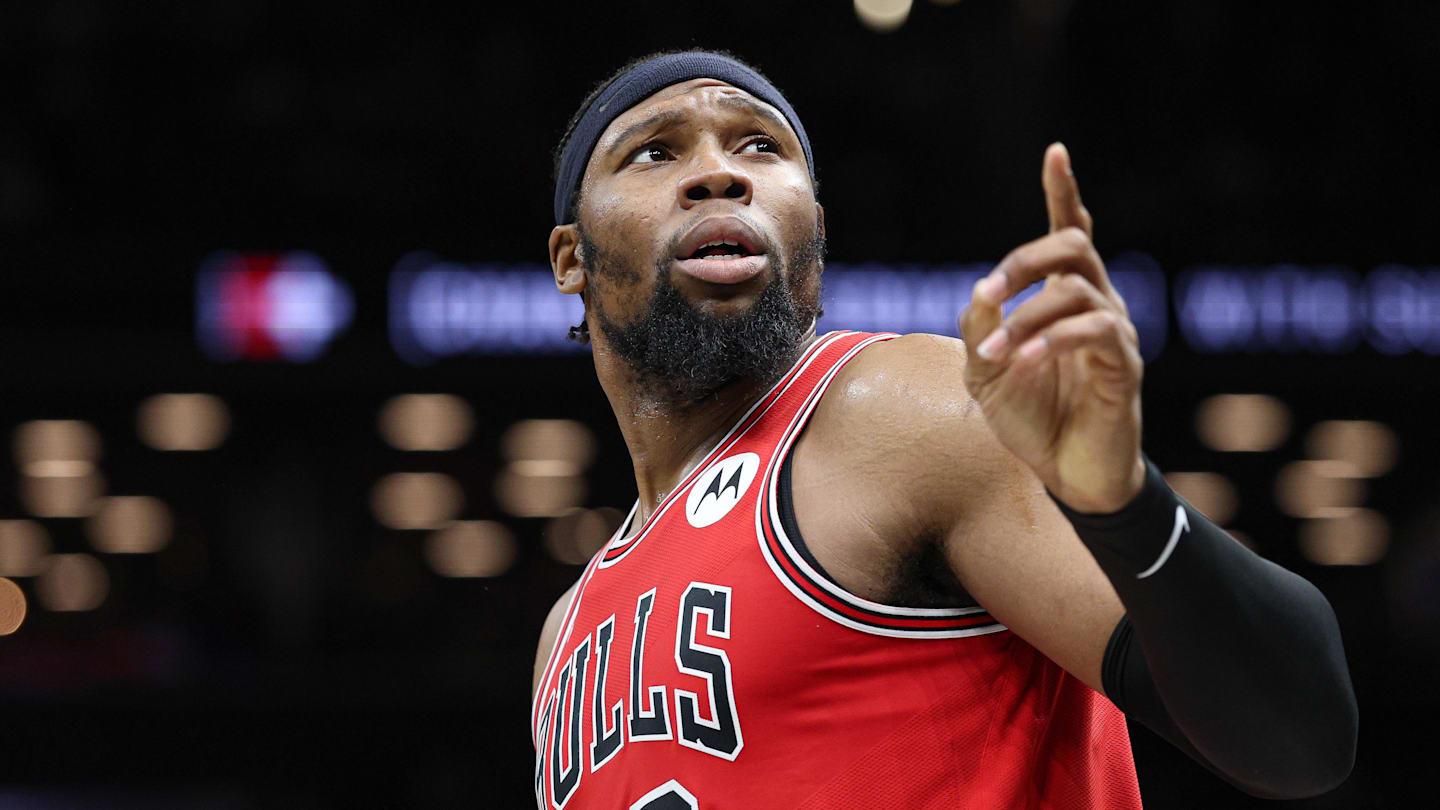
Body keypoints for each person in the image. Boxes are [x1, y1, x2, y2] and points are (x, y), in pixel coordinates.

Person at [530, 50, 1356, 809]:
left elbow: (1300, 740)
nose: (720, 173)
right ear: (571, 258)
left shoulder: (895, 407)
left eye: (760, 147)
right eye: (656, 152)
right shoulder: (565, 632)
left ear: (815, 230)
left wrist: (1129, 505)